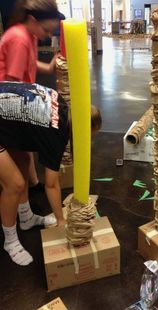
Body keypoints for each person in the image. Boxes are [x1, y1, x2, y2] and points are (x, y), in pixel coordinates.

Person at [0, 81, 102, 266]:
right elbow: (51, 184)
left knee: (23, 160)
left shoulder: (62, 104)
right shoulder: (56, 133)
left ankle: (26, 218)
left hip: (5, 117)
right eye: (89, 136)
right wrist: (61, 220)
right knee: (15, 184)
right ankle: (10, 241)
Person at [0, 0, 61, 191]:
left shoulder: (29, 34)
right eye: (47, 30)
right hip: (6, 100)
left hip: (14, 94)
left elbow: (30, 64)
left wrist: (51, 66)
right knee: (21, 154)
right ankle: (25, 192)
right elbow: (12, 85)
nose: (49, 36)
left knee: (25, 155)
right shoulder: (19, 38)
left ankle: (33, 185)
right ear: (33, 20)